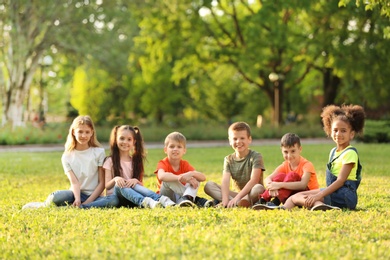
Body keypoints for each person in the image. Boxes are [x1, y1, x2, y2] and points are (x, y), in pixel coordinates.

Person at [22, 115, 118, 209]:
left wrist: (87, 202)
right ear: (73, 132)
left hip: (95, 196)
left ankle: (80, 207)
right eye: (80, 131)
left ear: (92, 133)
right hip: (75, 194)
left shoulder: (99, 152)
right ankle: (42, 205)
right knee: (56, 197)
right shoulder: (67, 156)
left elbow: (102, 183)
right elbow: (75, 183)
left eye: (87, 132)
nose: (83, 135)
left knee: (113, 200)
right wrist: (77, 199)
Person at [283, 104, 365, 211]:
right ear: (330, 131)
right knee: (297, 195)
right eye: (335, 130)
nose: (338, 134)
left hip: (345, 197)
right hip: (334, 192)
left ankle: (318, 204)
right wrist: (319, 195)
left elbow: (340, 181)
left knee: (300, 197)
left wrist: (320, 194)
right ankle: (282, 208)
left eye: (343, 130)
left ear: (352, 134)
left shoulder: (350, 153)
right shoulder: (333, 152)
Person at [104, 125, 175, 208]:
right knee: (119, 186)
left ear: (134, 142)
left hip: (132, 198)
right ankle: (146, 202)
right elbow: (107, 186)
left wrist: (135, 181)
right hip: (117, 198)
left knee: (135, 185)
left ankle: (162, 200)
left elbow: (140, 186)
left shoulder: (135, 161)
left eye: (129, 139)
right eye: (122, 138)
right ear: (116, 139)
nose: (125, 142)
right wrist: (116, 179)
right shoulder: (109, 161)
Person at [204, 122, 265, 208]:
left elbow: (254, 180)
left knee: (258, 188)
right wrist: (225, 199)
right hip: (235, 195)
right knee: (209, 185)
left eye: (242, 138)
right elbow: (225, 181)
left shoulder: (256, 156)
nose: (238, 141)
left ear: (249, 139)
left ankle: (240, 202)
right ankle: (233, 203)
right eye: (235, 139)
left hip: (251, 193)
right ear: (230, 141)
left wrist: (237, 198)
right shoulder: (228, 159)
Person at [252, 133, 319, 210]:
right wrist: (272, 187)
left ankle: (275, 202)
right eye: (286, 152)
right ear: (282, 151)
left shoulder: (307, 165)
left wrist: (280, 185)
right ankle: (263, 200)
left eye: (293, 151)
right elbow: (267, 179)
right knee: (280, 176)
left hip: (307, 196)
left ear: (300, 149)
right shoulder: (285, 165)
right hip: (290, 196)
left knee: (292, 175)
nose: (289, 156)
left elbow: (302, 185)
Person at [154, 132, 213, 207]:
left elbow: (203, 178)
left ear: (184, 150)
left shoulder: (184, 164)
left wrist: (191, 174)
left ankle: (185, 200)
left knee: (195, 178)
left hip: (180, 196)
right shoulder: (163, 163)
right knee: (168, 179)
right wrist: (179, 177)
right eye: (172, 146)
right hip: (166, 197)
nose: (175, 149)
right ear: (165, 150)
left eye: (179, 147)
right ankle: (196, 200)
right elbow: (161, 176)